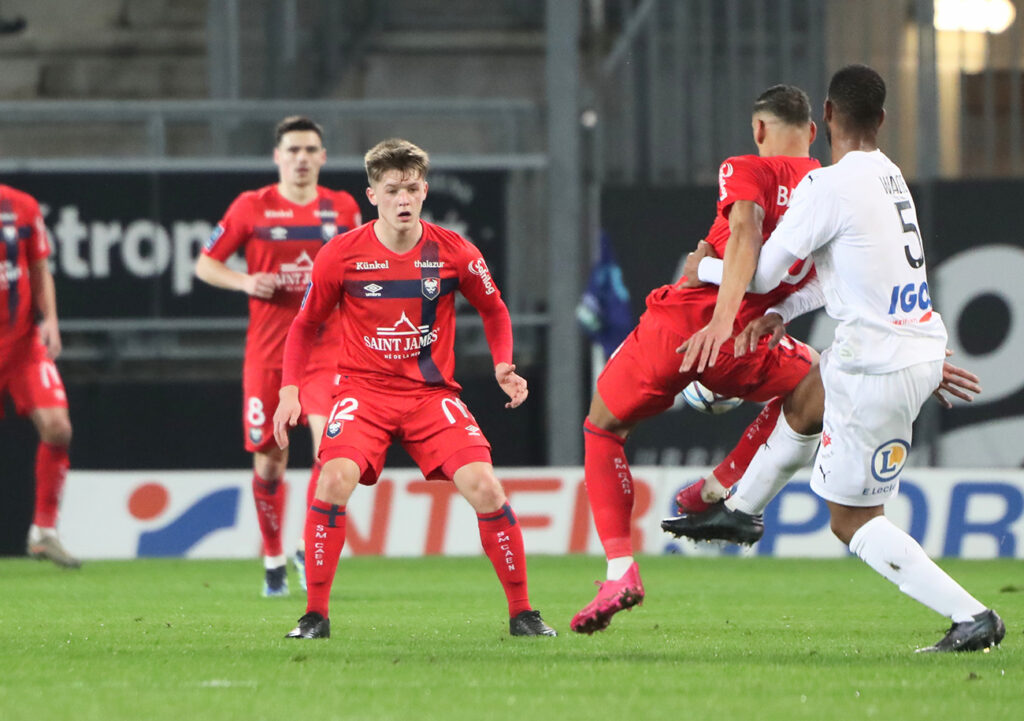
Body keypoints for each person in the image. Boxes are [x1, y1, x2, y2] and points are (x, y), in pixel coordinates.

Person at [665, 64, 1004, 653]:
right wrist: (784, 314)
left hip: (878, 365)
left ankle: (972, 617)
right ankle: (741, 510)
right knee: (804, 399)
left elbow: (763, 271)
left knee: (852, 521)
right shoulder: (890, 177)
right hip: (910, 346)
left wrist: (705, 270)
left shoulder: (827, 187)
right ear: (882, 120)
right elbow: (840, 278)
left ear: (826, 116)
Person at [272, 138, 556, 639]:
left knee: (487, 487)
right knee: (332, 479)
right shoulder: (341, 255)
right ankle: (314, 615)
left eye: (411, 188)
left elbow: (494, 310)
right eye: (391, 189)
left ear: (424, 191)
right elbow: (303, 326)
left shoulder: (455, 252)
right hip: (364, 393)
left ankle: (523, 614)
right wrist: (289, 390)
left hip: (432, 396)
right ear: (372, 195)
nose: (403, 199)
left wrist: (504, 364)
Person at [571, 85, 824, 635]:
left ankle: (620, 569)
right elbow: (829, 278)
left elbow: (745, 230)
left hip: (687, 328)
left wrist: (718, 313)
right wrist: (775, 311)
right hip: (750, 344)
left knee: (602, 427)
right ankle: (719, 487)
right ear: (813, 133)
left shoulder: (744, 168)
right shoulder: (831, 190)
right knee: (811, 384)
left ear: (759, 131)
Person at [195, 116, 362, 597]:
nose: (302, 158)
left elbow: (359, 264)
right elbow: (206, 263)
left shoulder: (342, 207)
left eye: (311, 149)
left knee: (331, 451)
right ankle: (272, 557)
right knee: (271, 461)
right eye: (293, 150)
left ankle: (310, 548)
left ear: (324, 157)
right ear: (277, 156)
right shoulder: (251, 207)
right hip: (269, 352)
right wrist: (246, 281)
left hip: (327, 349)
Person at [1, 184, 78, 568]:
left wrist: (50, 320)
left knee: (58, 427)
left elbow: (38, 267)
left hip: (22, 343)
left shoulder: (22, 205)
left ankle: (44, 532)